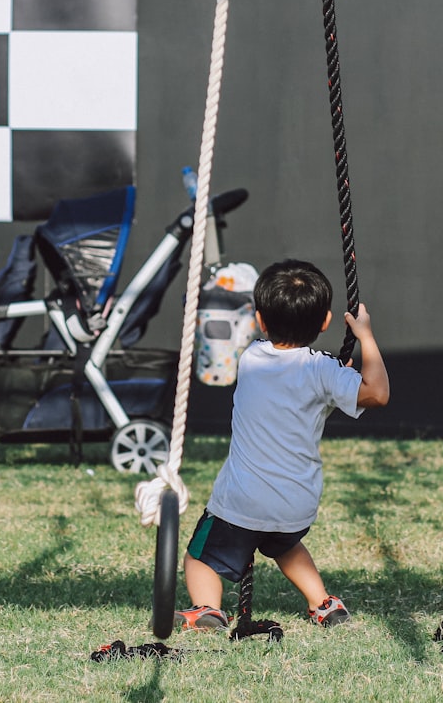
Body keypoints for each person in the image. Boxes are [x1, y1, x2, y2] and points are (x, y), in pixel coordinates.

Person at [176, 259, 390, 630]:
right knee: (284, 546)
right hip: (297, 503)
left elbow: (293, 373)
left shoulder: (251, 358)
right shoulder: (323, 371)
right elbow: (377, 393)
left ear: (260, 321)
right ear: (325, 321)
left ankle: (208, 608)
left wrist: (335, 376)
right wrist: (365, 335)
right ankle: (323, 603)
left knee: (199, 557)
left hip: (241, 501)